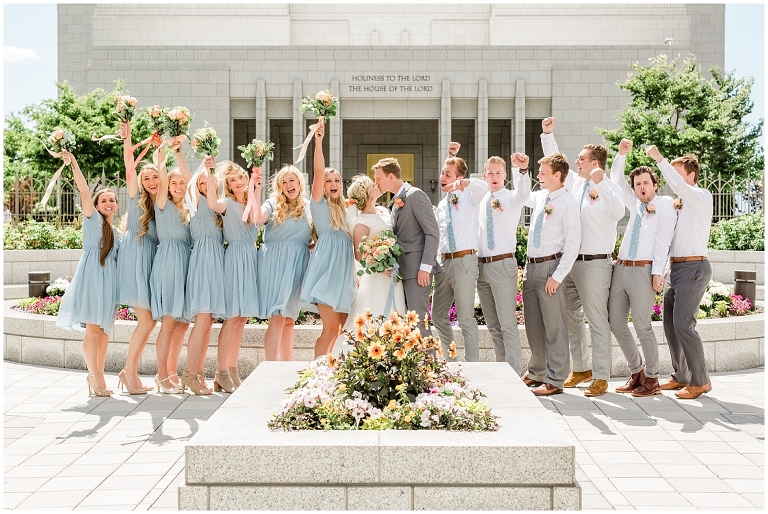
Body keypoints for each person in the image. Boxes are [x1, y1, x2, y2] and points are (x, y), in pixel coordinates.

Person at [540, 117, 625, 396]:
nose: (577, 163)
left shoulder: (609, 187)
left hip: (595, 263)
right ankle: (581, 369)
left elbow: (618, 212)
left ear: (595, 164)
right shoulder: (575, 183)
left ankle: (601, 376)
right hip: (571, 261)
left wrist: (601, 184)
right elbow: (558, 163)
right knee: (571, 316)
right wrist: (548, 134)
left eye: (582, 159)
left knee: (596, 319)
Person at [645, 145, 714, 400]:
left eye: (677, 173)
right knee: (670, 326)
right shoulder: (678, 205)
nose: (671, 179)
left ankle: (701, 380)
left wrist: (660, 159)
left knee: (684, 324)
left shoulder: (700, 196)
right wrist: (661, 270)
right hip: (676, 267)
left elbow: (680, 187)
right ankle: (682, 375)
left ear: (691, 176)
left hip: (694, 267)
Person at [609, 139, 676, 397]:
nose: (641, 187)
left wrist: (657, 272)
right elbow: (616, 178)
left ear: (655, 185)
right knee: (615, 321)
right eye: (637, 184)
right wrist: (622, 154)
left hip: (643, 272)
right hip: (621, 269)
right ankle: (636, 372)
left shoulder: (665, 205)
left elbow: (663, 242)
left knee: (642, 324)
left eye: (646, 183)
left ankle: (652, 378)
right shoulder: (635, 204)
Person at [55, 150, 121, 397]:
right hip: (93, 278)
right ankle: (94, 376)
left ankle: (99, 374)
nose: (108, 203)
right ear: (95, 205)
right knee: (93, 330)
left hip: (109, 283)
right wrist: (73, 163)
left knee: (103, 332)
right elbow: (84, 190)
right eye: (103, 200)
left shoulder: (118, 232)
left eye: (112, 200)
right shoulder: (93, 220)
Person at [522, 153, 581, 396]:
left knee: (555, 327)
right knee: (533, 325)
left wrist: (557, 276)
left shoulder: (568, 203)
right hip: (531, 267)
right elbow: (522, 196)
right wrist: (522, 171)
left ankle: (556, 379)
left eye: (543, 172)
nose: (539, 176)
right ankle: (537, 372)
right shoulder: (541, 196)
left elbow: (573, 244)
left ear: (558, 175)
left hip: (550, 268)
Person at [301, 121, 357, 357]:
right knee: (330, 328)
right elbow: (318, 172)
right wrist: (319, 141)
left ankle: (333, 375)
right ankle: (315, 376)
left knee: (341, 331)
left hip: (344, 277)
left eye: (337, 181)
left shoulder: (347, 209)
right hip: (326, 273)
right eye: (328, 181)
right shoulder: (318, 204)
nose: (333, 184)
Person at [114, 121, 160, 394]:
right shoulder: (135, 197)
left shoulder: (162, 202)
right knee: (146, 320)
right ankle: (129, 372)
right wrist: (128, 135)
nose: (151, 182)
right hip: (135, 255)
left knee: (150, 320)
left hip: (151, 257)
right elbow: (129, 162)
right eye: (147, 178)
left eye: (155, 177)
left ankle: (128, 370)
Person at [207, 160, 260, 392]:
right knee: (231, 317)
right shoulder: (226, 203)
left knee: (242, 319)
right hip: (235, 257)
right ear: (227, 184)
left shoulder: (251, 201)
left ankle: (233, 368)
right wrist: (210, 173)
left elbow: (258, 220)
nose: (239, 182)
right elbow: (211, 202)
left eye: (241, 177)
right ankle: (221, 371)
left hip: (250, 256)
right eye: (233, 179)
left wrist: (256, 188)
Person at [432, 143, 488, 361]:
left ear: (459, 177)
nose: (443, 177)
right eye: (442, 173)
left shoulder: (470, 198)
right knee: (437, 315)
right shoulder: (442, 204)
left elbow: (483, 187)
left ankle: (473, 365)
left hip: (464, 261)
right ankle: (452, 359)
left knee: (465, 317)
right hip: (444, 263)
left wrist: (465, 182)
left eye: (448, 174)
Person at [476, 153, 531, 374]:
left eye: (499, 172)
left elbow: (524, 193)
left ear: (505, 175)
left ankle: (515, 372)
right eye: (490, 173)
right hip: (482, 267)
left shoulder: (511, 198)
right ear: (485, 175)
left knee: (507, 323)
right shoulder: (480, 200)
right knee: (492, 325)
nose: (495, 176)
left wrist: (522, 171)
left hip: (502, 265)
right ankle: (502, 369)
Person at [373, 157, 440, 335]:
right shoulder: (393, 202)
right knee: (408, 324)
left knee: (418, 321)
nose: (376, 182)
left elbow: (432, 232)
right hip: (401, 271)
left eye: (378, 178)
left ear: (391, 176)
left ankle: (430, 360)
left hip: (418, 271)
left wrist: (426, 267)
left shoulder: (415, 195)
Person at [253, 165, 312, 361]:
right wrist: (256, 190)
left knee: (289, 320)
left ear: (299, 182)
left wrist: (307, 249)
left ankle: (287, 367)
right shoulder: (273, 203)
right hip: (275, 264)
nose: (288, 185)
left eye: (291, 181)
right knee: (277, 317)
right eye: (284, 182)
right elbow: (257, 218)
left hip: (297, 264)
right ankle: (270, 368)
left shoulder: (308, 206)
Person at [180, 154, 226, 395]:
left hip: (216, 259)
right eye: (202, 184)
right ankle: (190, 373)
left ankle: (197, 372)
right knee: (201, 319)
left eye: (211, 183)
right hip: (204, 259)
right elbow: (190, 179)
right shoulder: (196, 203)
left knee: (207, 322)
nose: (206, 186)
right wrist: (203, 165)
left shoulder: (218, 207)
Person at [149, 142, 193, 394]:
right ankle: (161, 375)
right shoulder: (162, 204)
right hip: (168, 262)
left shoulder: (190, 210)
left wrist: (180, 154)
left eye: (182, 183)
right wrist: (165, 148)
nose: (178, 186)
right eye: (174, 183)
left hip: (186, 263)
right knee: (168, 321)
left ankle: (172, 371)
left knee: (182, 322)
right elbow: (162, 173)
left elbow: (192, 179)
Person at [342, 175, 406, 333]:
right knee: (377, 314)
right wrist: (379, 266)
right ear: (367, 192)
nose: (377, 184)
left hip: (393, 274)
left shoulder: (384, 211)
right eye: (373, 185)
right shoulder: (362, 222)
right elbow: (359, 255)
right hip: (377, 277)